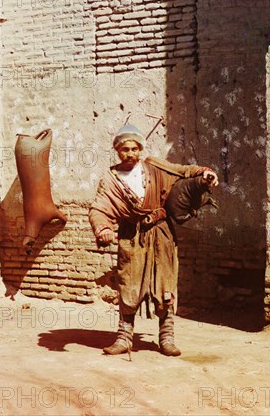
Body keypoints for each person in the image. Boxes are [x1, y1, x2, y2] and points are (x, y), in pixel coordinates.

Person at [89, 124, 218, 356]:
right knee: (128, 284)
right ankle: (124, 337)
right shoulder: (110, 180)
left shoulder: (154, 166)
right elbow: (99, 209)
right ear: (117, 151)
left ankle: (166, 337)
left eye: (134, 148)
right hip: (131, 236)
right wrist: (103, 229)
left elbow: (184, 170)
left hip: (161, 233)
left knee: (165, 285)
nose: (130, 154)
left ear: (140, 148)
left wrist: (205, 174)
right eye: (125, 149)